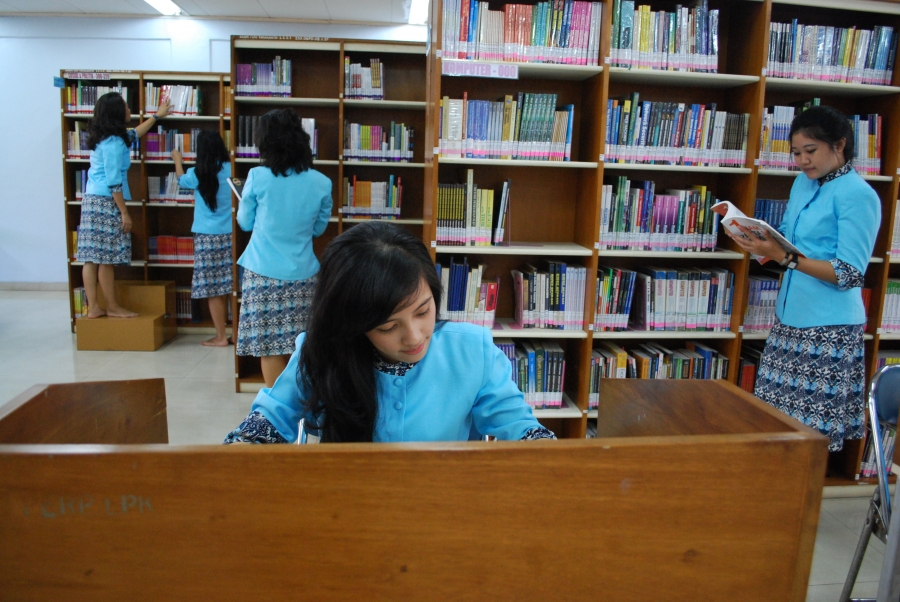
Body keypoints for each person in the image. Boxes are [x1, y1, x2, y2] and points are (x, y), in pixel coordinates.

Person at [224, 221, 556, 444]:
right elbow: (272, 415)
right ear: (352, 323)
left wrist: (544, 448)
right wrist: (241, 447)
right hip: (350, 512)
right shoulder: (324, 348)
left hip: (439, 511)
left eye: (423, 311)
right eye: (387, 326)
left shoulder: (471, 349)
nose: (413, 336)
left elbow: (518, 425)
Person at [727, 105, 881, 452]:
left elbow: (849, 273)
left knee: (809, 438)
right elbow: (787, 237)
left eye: (810, 151)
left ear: (839, 145)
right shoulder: (802, 184)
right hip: (789, 318)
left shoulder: (858, 195)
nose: (802, 161)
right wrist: (757, 241)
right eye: (796, 153)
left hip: (829, 330)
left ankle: (799, 504)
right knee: (774, 423)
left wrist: (785, 257)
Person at [235, 109, 333, 387]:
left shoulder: (257, 176)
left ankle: (276, 413)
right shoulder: (322, 183)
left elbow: (244, 223)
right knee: (300, 347)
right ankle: (302, 409)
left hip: (262, 275)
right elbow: (318, 229)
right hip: (303, 276)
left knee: (269, 348)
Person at [77, 92, 170, 318]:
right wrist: (125, 213)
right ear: (117, 113)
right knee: (106, 259)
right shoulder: (114, 144)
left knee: (91, 257)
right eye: (127, 108)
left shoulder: (107, 137)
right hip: (106, 202)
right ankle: (111, 306)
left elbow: (135, 133)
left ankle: (95, 307)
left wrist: (156, 117)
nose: (130, 111)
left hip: (91, 200)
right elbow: (114, 182)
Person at [172, 131, 233, 346]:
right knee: (232, 286)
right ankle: (236, 333)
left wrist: (177, 161)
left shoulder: (197, 173)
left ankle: (220, 336)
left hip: (207, 238)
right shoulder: (231, 169)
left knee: (213, 289)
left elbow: (181, 181)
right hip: (231, 236)